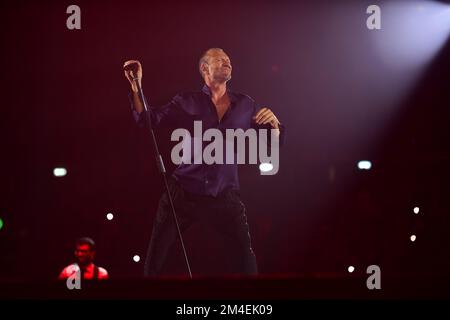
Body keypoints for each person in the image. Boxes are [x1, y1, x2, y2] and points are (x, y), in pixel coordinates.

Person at [124, 48, 285, 276]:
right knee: (155, 262)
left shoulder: (245, 105)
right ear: (204, 68)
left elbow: (273, 142)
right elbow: (147, 120)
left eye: (229, 60)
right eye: (220, 60)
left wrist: (275, 126)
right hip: (183, 193)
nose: (227, 62)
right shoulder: (186, 101)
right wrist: (136, 85)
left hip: (224, 194)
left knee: (246, 264)